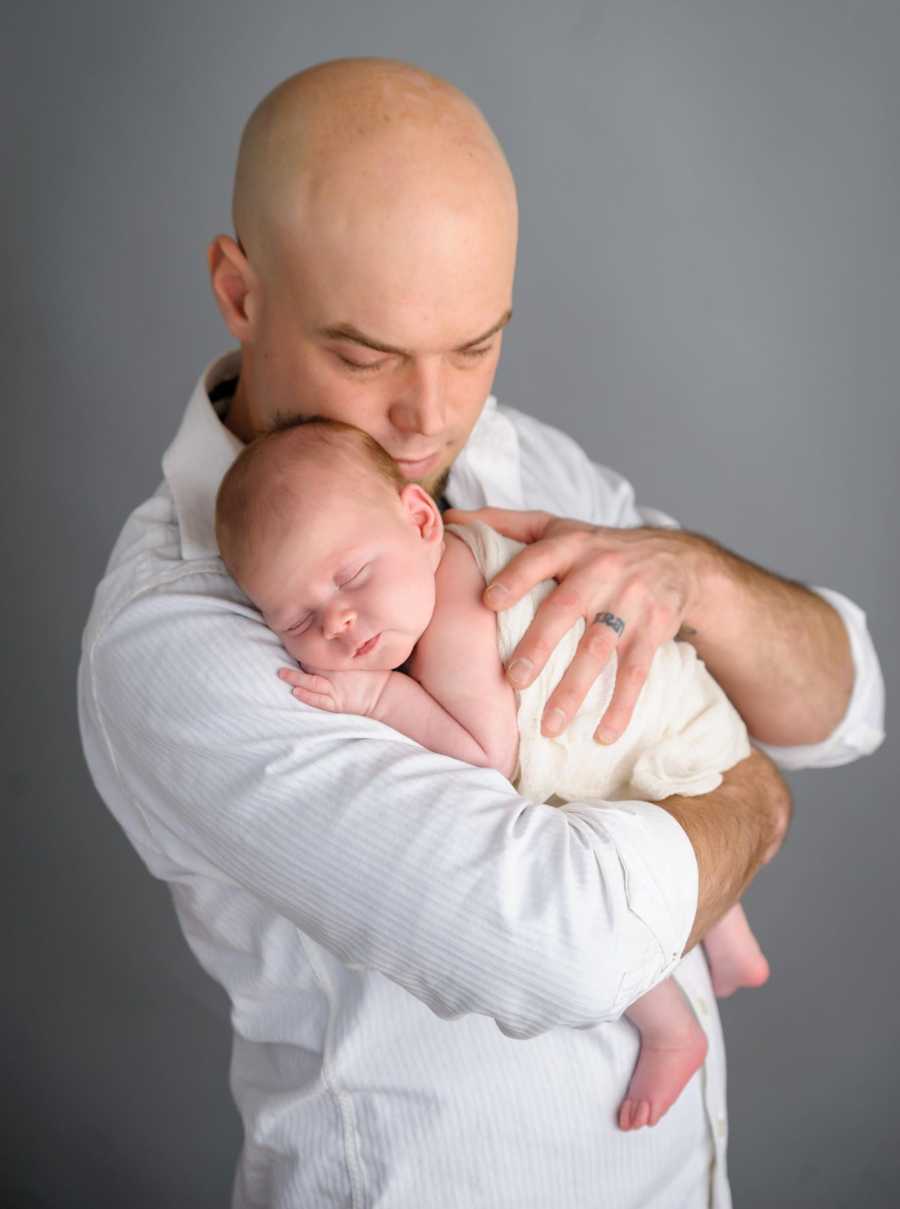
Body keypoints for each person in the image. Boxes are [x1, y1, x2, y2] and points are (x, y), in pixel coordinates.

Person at [78, 57, 885, 1209]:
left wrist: (692, 573)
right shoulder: (180, 636)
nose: (429, 417)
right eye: (364, 355)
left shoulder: (507, 460)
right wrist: (751, 803)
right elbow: (575, 946)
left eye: (473, 346)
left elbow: (846, 703)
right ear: (240, 291)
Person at [214, 415, 773, 1134]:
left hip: (661, 731)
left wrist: (383, 697)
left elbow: (485, 756)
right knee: (665, 812)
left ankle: (673, 1029)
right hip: (683, 731)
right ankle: (734, 945)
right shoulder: (427, 569)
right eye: (298, 621)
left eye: (353, 577)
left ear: (421, 521)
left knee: (595, 860)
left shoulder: (451, 603)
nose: (341, 625)